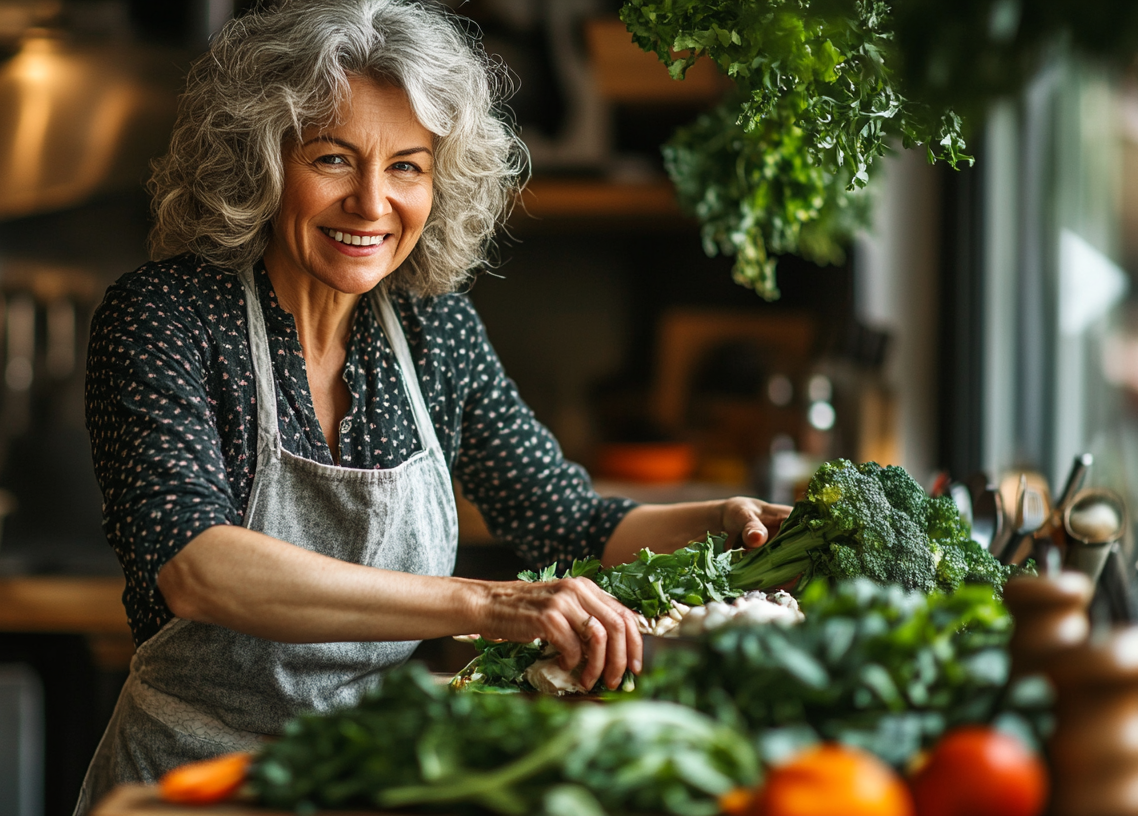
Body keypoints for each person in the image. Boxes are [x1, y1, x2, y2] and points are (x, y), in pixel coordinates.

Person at [75, 0, 791, 810]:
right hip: (189, 782)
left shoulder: (433, 329)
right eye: (335, 159)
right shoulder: (164, 317)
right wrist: (489, 604)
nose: (373, 203)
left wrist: (725, 523)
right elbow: (198, 568)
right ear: (263, 159)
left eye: (408, 166)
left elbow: (572, 523)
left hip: (368, 779)